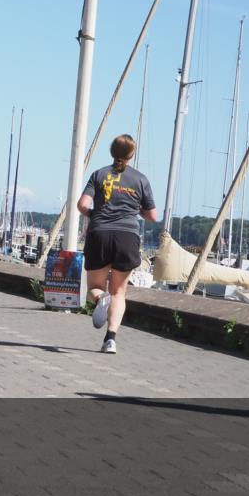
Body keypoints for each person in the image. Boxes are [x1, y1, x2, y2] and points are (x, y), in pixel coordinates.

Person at [77, 134, 157, 354]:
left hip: (100, 234)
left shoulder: (99, 174)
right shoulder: (141, 179)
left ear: (112, 151)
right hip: (127, 236)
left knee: (95, 286)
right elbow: (152, 216)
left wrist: (94, 214)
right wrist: (135, 209)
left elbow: (82, 205)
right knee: (119, 292)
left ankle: (101, 298)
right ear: (132, 154)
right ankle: (110, 339)